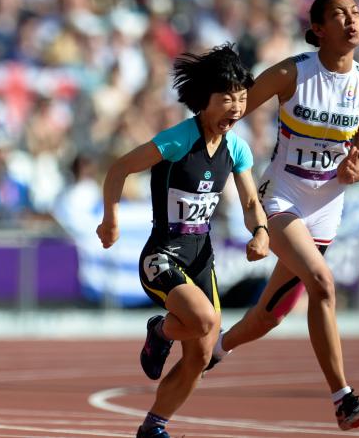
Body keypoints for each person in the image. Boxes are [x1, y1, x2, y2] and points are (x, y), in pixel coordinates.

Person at [203, 0, 359, 432]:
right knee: (322, 282)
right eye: (340, 15)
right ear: (319, 28)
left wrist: (353, 169)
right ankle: (344, 399)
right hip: (281, 198)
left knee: (271, 314)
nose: (351, 21)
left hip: (326, 209)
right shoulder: (292, 73)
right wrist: (210, 150)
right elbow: (237, 107)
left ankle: (211, 350)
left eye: (355, 13)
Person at [96, 43, 269, 438]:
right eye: (226, 99)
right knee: (205, 319)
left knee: (203, 355)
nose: (236, 108)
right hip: (162, 257)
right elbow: (120, 168)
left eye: (242, 99)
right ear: (204, 101)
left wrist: (260, 231)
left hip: (200, 260)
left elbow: (249, 202)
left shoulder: (237, 149)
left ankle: (153, 427)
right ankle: (159, 331)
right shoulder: (178, 139)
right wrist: (111, 219)